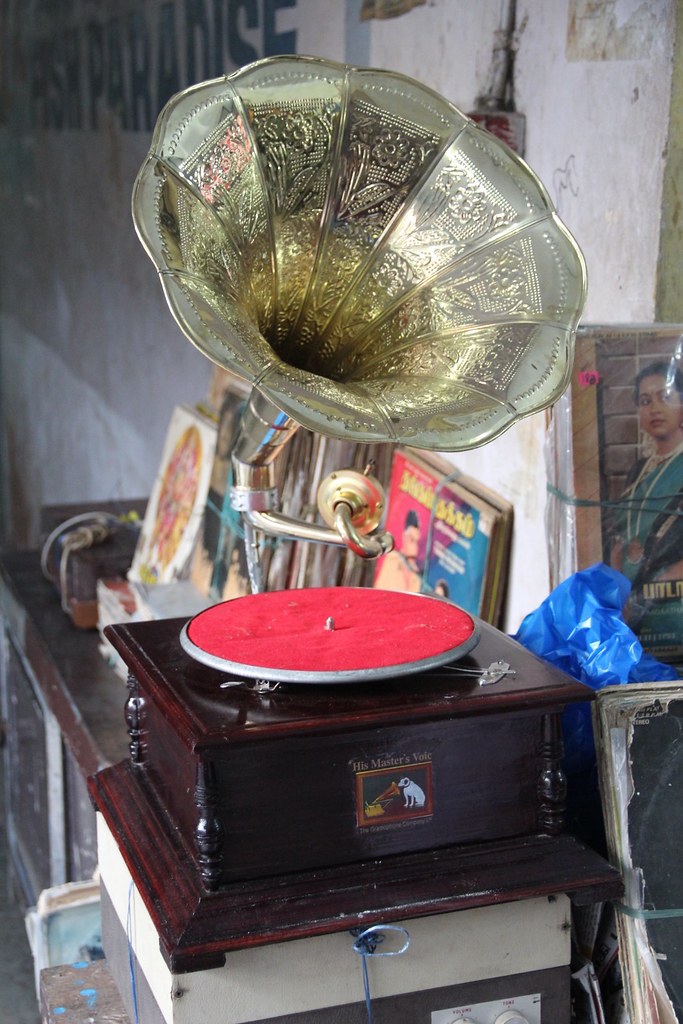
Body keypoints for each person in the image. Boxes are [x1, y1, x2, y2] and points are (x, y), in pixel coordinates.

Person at [609, 361, 683, 642]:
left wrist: (645, 596)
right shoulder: (639, 470)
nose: (654, 408)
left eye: (665, 397)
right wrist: (620, 594)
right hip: (630, 605)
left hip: (672, 607)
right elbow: (621, 538)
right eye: (645, 400)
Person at [374, 508, 423, 592]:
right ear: (404, 537)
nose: (415, 548)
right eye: (412, 540)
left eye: (417, 542)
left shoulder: (417, 578)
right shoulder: (392, 559)